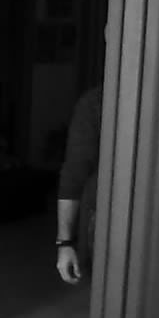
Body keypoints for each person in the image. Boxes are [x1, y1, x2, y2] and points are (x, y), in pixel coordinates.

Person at [56, 85, 103, 284]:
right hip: (106, 218)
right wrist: (65, 242)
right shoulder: (95, 102)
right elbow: (74, 173)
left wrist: (64, 243)